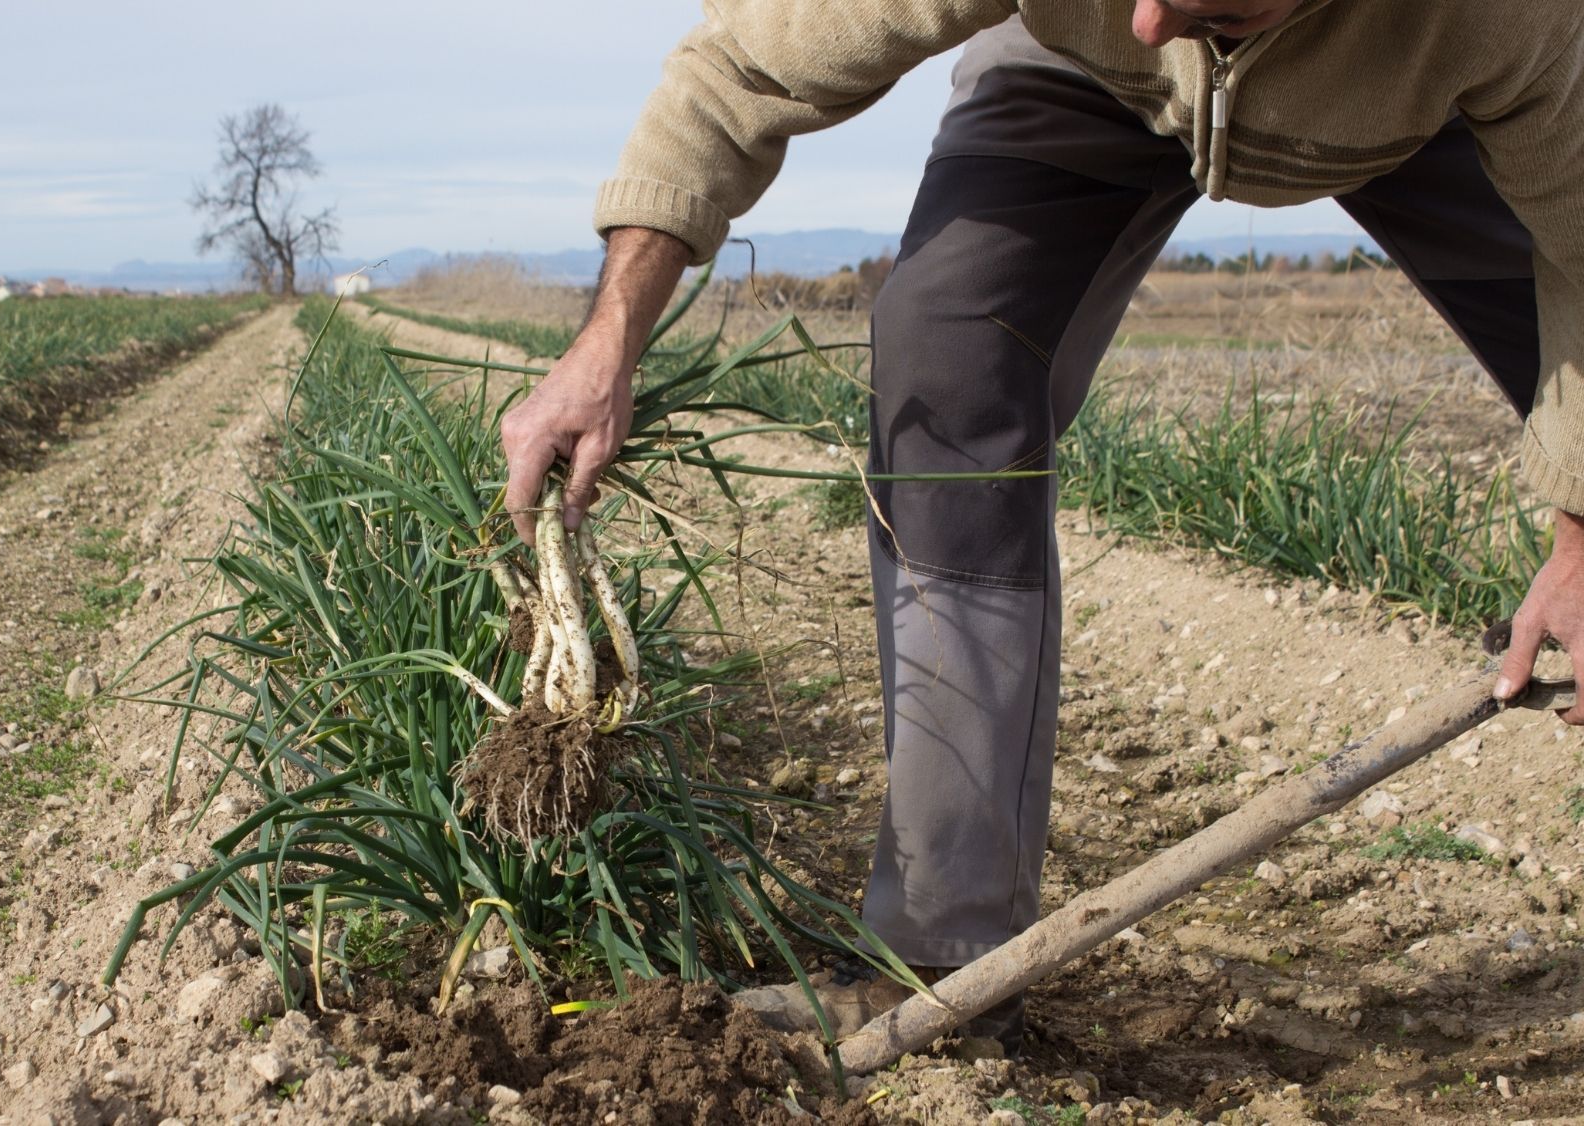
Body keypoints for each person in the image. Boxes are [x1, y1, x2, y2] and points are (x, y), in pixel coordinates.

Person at [498, 0, 1584, 1055]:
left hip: (1426, 114)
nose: (1154, 20)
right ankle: (938, 956)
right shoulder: (1127, 25)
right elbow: (740, 64)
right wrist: (609, 339)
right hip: (1078, 76)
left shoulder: (1507, 21)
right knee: (943, 352)